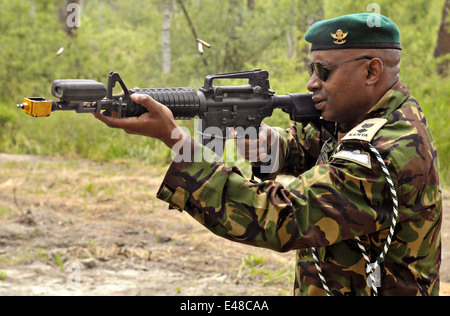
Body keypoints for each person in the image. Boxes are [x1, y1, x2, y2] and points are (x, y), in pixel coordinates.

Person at [93, 13, 442, 296]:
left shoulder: (387, 150)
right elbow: (313, 143)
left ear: (371, 71)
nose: (311, 83)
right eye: (311, 69)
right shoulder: (371, 116)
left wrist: (176, 140)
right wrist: (268, 144)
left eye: (324, 71)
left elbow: (280, 218)